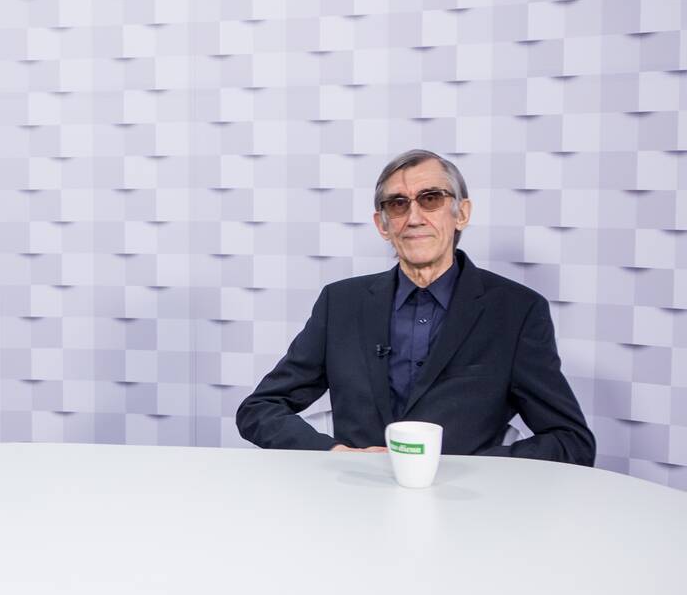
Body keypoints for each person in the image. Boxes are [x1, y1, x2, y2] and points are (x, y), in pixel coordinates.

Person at [236, 149, 595, 466]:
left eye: (431, 199)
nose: (414, 217)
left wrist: (471, 468)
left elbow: (571, 441)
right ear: (382, 224)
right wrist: (333, 453)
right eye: (397, 204)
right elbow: (259, 409)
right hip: (353, 500)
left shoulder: (516, 311)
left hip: (466, 506)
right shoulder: (340, 303)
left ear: (461, 213)